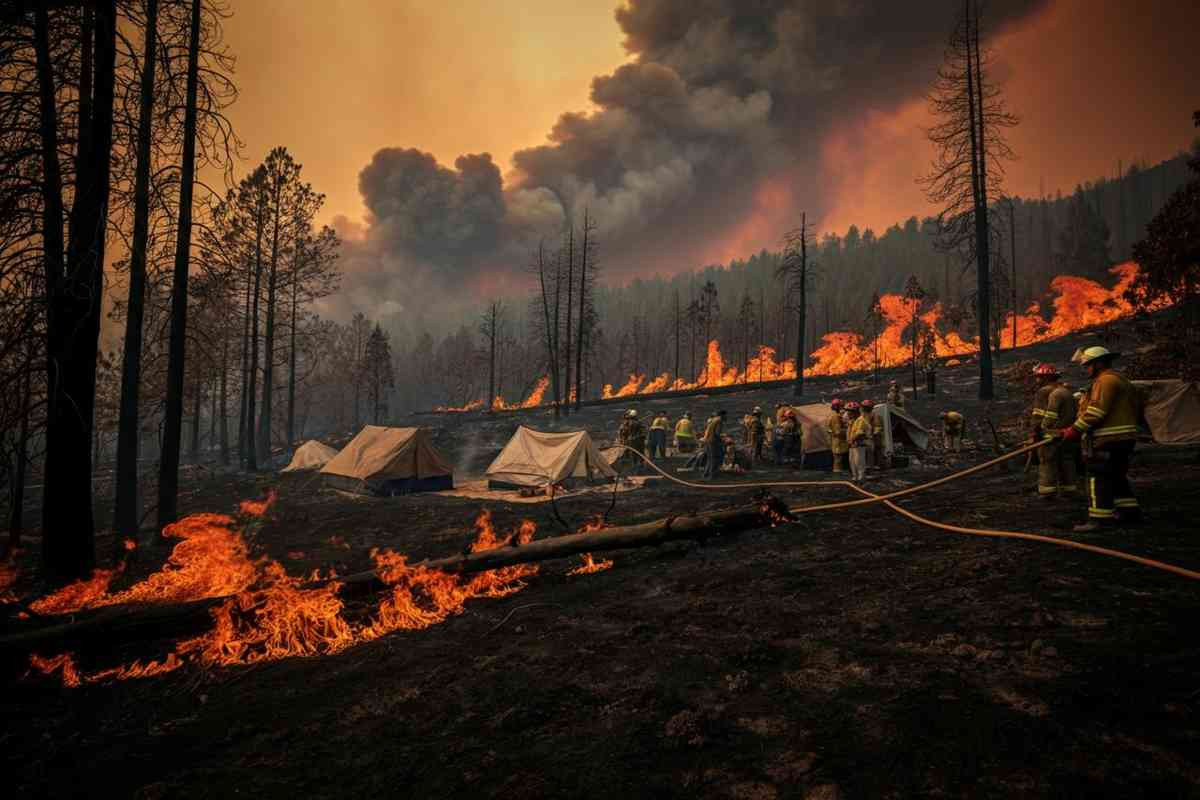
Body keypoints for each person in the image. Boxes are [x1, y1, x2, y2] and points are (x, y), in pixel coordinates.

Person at [1061, 346, 1142, 532]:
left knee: (1097, 476)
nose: (1086, 369)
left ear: (1098, 364)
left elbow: (1096, 412)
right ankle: (1129, 512)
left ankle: (1099, 520)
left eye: (1088, 365)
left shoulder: (1104, 381)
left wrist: (1075, 429)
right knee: (1116, 475)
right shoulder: (1121, 379)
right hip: (1125, 438)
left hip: (1108, 438)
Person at [1029, 363, 1079, 499]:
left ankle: (1047, 491)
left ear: (1046, 378)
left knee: (1047, 461)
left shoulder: (1044, 391)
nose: (1037, 380)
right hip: (1068, 433)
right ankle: (1069, 489)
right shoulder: (1066, 391)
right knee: (1067, 461)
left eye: (1038, 377)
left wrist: (1035, 432)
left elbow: (1038, 415)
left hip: (1050, 434)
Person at [846, 401, 870, 481]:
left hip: (859, 445)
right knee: (852, 463)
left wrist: (851, 440)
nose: (848, 413)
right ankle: (855, 477)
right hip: (853, 445)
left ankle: (861, 479)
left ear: (855, 412)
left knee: (859, 463)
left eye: (850, 411)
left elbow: (859, 433)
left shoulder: (861, 420)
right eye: (848, 411)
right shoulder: (853, 421)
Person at [617, 409, 646, 474]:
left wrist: (635, 437)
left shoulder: (635, 423)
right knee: (635, 454)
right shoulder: (630, 423)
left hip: (636, 441)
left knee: (636, 454)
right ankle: (636, 467)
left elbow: (643, 432)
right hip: (633, 441)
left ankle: (637, 467)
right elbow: (623, 432)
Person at [702, 410, 726, 479]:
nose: (726, 417)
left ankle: (706, 474)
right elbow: (717, 433)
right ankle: (712, 476)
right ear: (722, 415)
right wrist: (723, 439)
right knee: (715, 459)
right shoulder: (719, 421)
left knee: (710, 458)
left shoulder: (713, 420)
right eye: (725, 416)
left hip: (707, 441)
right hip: (713, 442)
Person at [827, 398, 848, 473]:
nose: (842, 408)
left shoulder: (834, 415)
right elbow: (838, 431)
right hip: (838, 442)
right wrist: (849, 431)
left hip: (836, 441)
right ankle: (837, 474)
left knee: (838, 459)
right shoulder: (835, 417)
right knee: (838, 459)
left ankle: (838, 472)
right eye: (841, 406)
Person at [862, 399, 881, 468]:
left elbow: (877, 425)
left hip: (870, 436)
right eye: (865, 407)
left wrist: (875, 433)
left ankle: (872, 465)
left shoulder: (874, 414)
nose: (865, 408)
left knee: (871, 451)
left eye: (867, 407)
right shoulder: (861, 414)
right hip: (862, 435)